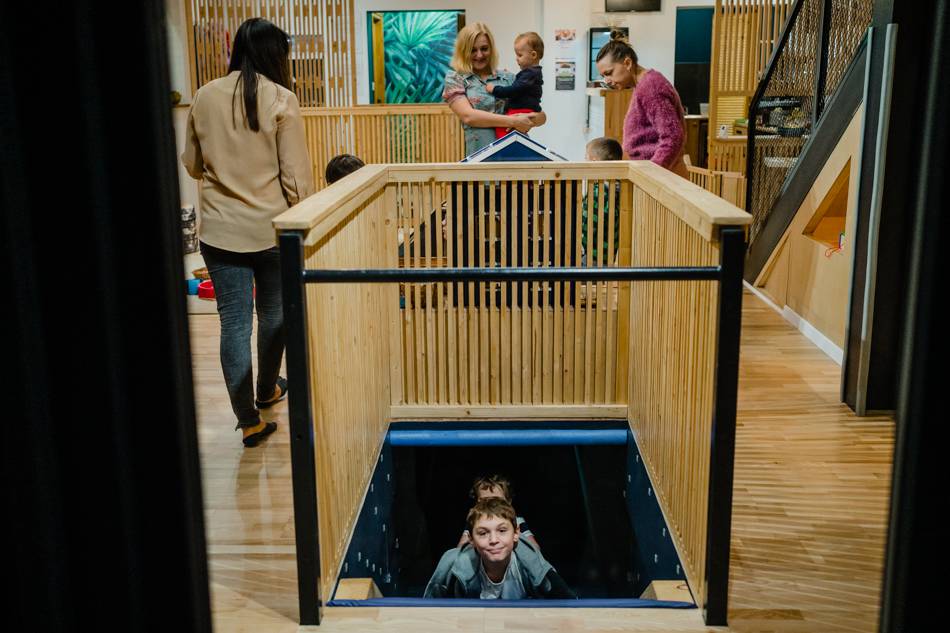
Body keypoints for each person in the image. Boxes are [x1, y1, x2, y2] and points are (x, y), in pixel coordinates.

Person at [181, 18, 314, 447]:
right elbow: (295, 177)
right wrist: (306, 222)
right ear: (276, 55)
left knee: (234, 325)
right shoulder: (282, 98)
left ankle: (249, 420)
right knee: (274, 316)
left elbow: (192, 163)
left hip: (220, 232)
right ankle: (267, 389)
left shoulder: (204, 95)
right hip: (271, 231)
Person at [424, 498, 576, 599]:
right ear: (471, 539)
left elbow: (570, 607)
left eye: (502, 531)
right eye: (483, 533)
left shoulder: (534, 565)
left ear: (516, 533)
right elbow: (429, 613)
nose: (494, 540)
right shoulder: (452, 566)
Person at [443, 22, 547, 156]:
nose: (479, 55)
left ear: (491, 49)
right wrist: (514, 121)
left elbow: (541, 116)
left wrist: (536, 119)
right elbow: (468, 116)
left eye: (484, 49)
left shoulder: (508, 77)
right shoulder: (455, 79)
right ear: (463, 51)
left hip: (515, 156)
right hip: (480, 157)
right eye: (473, 50)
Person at [595, 30, 688, 178]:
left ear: (627, 63)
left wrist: (651, 174)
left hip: (662, 177)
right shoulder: (643, 85)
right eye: (603, 76)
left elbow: (673, 137)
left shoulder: (651, 86)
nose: (607, 81)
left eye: (609, 73)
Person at [457, 475, 540, 550]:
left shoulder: (516, 520)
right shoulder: (475, 521)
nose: (490, 505)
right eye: (484, 501)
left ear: (509, 501)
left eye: (497, 501)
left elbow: (535, 548)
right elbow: (460, 548)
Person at [486, 32, 544, 139]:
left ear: (533, 55)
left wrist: (494, 89)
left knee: (502, 129)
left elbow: (513, 90)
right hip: (527, 110)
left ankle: (506, 145)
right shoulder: (532, 74)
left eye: (520, 55)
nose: (516, 58)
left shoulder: (530, 74)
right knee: (515, 133)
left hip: (521, 111)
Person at [581, 137, 624, 266]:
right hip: (608, 254)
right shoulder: (618, 187)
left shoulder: (598, 193)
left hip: (592, 255)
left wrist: (578, 244)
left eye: (586, 158)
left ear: (594, 162)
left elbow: (588, 225)